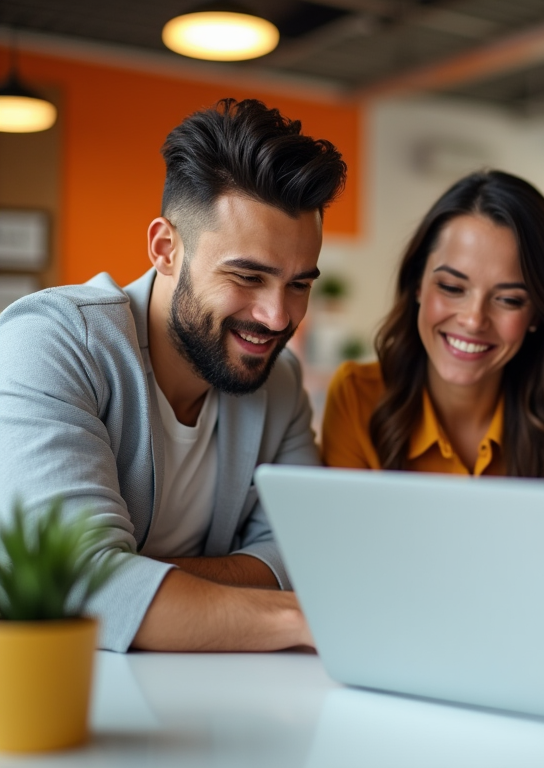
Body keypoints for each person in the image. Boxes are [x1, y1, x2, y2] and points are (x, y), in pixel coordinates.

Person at [0, 98, 347, 653]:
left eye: (299, 284)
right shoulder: (51, 342)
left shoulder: (278, 381)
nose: (278, 317)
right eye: (247, 276)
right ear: (165, 249)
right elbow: (77, 584)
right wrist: (300, 620)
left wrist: (131, 580)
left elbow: (303, 552)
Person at [320, 170, 544, 580]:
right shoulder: (357, 397)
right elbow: (348, 560)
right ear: (417, 285)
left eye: (508, 299)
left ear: (537, 311)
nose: (472, 320)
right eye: (452, 287)